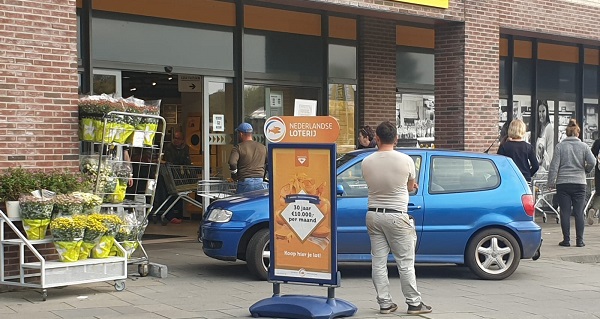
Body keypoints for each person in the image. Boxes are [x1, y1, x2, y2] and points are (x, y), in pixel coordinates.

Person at [361, 121, 432, 315]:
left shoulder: (366, 161)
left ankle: (385, 303)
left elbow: (373, 184)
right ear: (396, 139)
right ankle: (414, 303)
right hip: (397, 215)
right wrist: (412, 187)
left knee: (378, 261)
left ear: (377, 138)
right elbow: (409, 186)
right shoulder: (406, 160)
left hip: (373, 214)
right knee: (405, 262)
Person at [547, 119, 595, 248]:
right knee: (579, 212)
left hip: (563, 183)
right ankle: (580, 241)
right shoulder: (584, 146)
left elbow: (554, 166)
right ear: (578, 133)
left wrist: (551, 182)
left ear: (567, 133)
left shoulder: (560, 146)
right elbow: (593, 161)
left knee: (565, 212)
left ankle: (566, 240)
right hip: (580, 183)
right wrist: (586, 170)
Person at [156, 131, 192, 225]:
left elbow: (187, 161)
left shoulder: (186, 148)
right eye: (174, 138)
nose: (175, 140)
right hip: (169, 174)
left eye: (178, 138)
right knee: (170, 193)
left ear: (182, 140)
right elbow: (170, 160)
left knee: (179, 194)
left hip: (180, 175)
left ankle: (178, 215)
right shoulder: (169, 148)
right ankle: (171, 215)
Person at [229, 122, 268, 194]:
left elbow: (232, 163)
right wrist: (264, 176)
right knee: (257, 204)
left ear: (241, 134)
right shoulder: (262, 147)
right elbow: (269, 163)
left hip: (245, 182)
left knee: (242, 204)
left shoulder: (238, 147)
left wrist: (234, 175)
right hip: (260, 182)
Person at [536, 100, 554, 171]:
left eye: (543, 111)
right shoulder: (538, 128)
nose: (541, 114)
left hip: (544, 170)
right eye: (539, 111)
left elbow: (550, 154)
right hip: (536, 168)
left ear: (547, 112)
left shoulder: (549, 128)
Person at [587, 132, 600, 225]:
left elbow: (591, 157)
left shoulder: (597, 142)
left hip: (598, 172)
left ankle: (593, 209)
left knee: (599, 194)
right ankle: (594, 210)